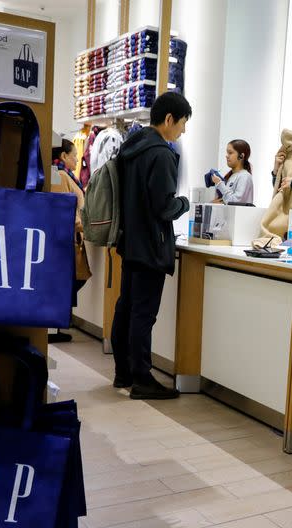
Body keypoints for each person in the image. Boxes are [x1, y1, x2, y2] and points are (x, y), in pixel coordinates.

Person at [111, 92, 191, 400]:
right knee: (143, 314)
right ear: (169, 119)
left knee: (126, 307)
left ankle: (123, 372)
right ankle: (142, 379)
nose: (182, 131)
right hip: (151, 245)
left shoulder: (131, 148)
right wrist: (185, 202)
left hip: (130, 241)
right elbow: (164, 207)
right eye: (182, 123)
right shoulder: (160, 153)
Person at [49, 138, 87, 344]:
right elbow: (63, 208)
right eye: (74, 156)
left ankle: (58, 323)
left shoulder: (65, 175)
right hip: (66, 238)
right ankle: (54, 326)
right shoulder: (61, 176)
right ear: (63, 156)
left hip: (69, 236)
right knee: (68, 281)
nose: (77, 159)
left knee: (71, 280)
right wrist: (83, 225)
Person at [211, 139, 254, 204]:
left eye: (230, 153)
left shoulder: (245, 176)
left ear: (241, 156)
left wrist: (219, 183)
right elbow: (226, 201)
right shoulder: (231, 176)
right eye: (227, 153)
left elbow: (235, 202)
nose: (227, 156)